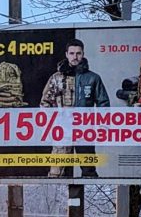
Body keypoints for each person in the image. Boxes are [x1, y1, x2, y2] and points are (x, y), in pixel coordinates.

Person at [40, 38, 109, 178]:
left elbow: (103, 104)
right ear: (66, 54)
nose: (75, 57)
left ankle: (86, 200)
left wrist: (101, 127)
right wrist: (52, 124)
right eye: (72, 53)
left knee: (89, 171)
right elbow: (45, 102)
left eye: (78, 53)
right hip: (62, 130)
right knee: (56, 172)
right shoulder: (56, 78)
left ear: (83, 54)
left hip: (85, 130)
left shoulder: (92, 78)